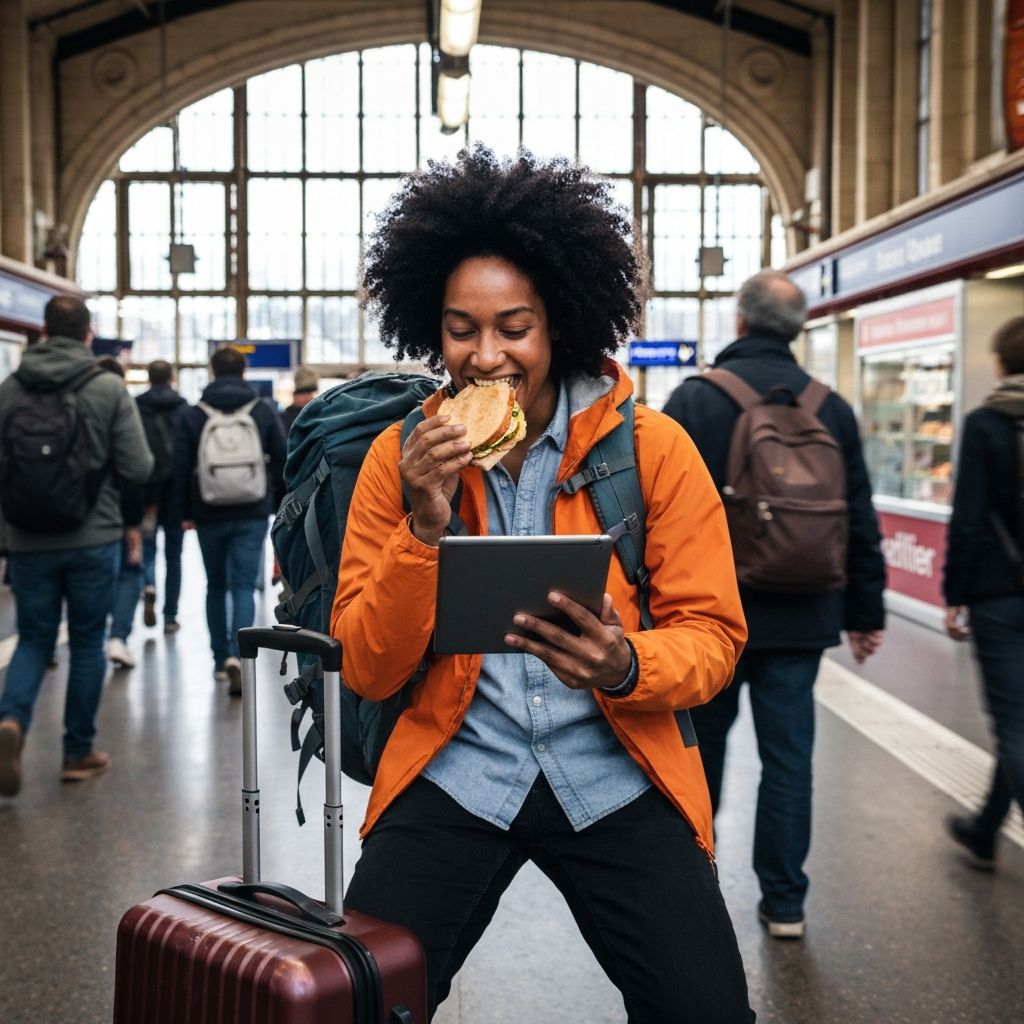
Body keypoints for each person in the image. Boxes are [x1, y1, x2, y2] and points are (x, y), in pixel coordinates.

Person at [330, 147, 755, 1023]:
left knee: (704, 1009)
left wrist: (623, 663)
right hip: (456, 771)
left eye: (513, 326)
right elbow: (368, 668)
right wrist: (423, 525)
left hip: (616, 773)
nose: (486, 357)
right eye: (460, 329)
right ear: (430, 329)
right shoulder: (396, 460)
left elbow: (713, 638)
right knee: (360, 1006)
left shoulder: (656, 451)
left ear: (558, 321)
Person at [663, 269, 886, 940]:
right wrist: (865, 612)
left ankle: (692, 888)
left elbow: (653, 518)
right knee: (789, 760)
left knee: (699, 757)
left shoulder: (697, 401)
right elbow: (859, 516)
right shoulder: (831, 407)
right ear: (799, 330)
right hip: (803, 614)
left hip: (709, 618)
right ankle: (784, 902)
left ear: (738, 322)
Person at [0, 296, 153, 796]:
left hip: (27, 538)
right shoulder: (106, 387)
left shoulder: (10, 389)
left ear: (43, 331)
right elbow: (138, 467)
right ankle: (77, 752)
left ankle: (12, 721)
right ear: (89, 335)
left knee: (33, 638)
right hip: (93, 537)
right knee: (88, 641)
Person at [943, 314, 1024, 870]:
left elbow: (969, 517)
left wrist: (955, 593)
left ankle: (987, 824)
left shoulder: (987, 423)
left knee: (1013, 719)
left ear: (1001, 362)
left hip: (1000, 593)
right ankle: (985, 827)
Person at [175, 344, 286, 695]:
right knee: (242, 585)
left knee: (216, 585)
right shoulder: (262, 410)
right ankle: (241, 656)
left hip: (208, 511)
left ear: (212, 371)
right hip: (252, 510)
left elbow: (179, 468)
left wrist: (184, 513)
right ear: (242, 371)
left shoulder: (193, 414)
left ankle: (219, 659)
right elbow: (283, 459)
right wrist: (279, 503)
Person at [94, 357, 146, 671]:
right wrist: (134, 523)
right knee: (130, 572)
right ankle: (118, 636)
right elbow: (137, 469)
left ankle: (15, 712)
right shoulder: (122, 406)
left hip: (62, 520)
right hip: (112, 515)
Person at [136, 359, 187, 635]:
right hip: (176, 493)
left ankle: (148, 585)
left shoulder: (136, 407)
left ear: (149, 377)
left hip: (147, 493)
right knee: (174, 556)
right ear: (171, 378)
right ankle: (170, 616)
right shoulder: (184, 408)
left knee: (147, 549)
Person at [280, 365, 318, 435]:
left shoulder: (316, 415)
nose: (308, 398)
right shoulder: (284, 418)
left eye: (310, 393)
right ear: (294, 395)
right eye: (304, 394)